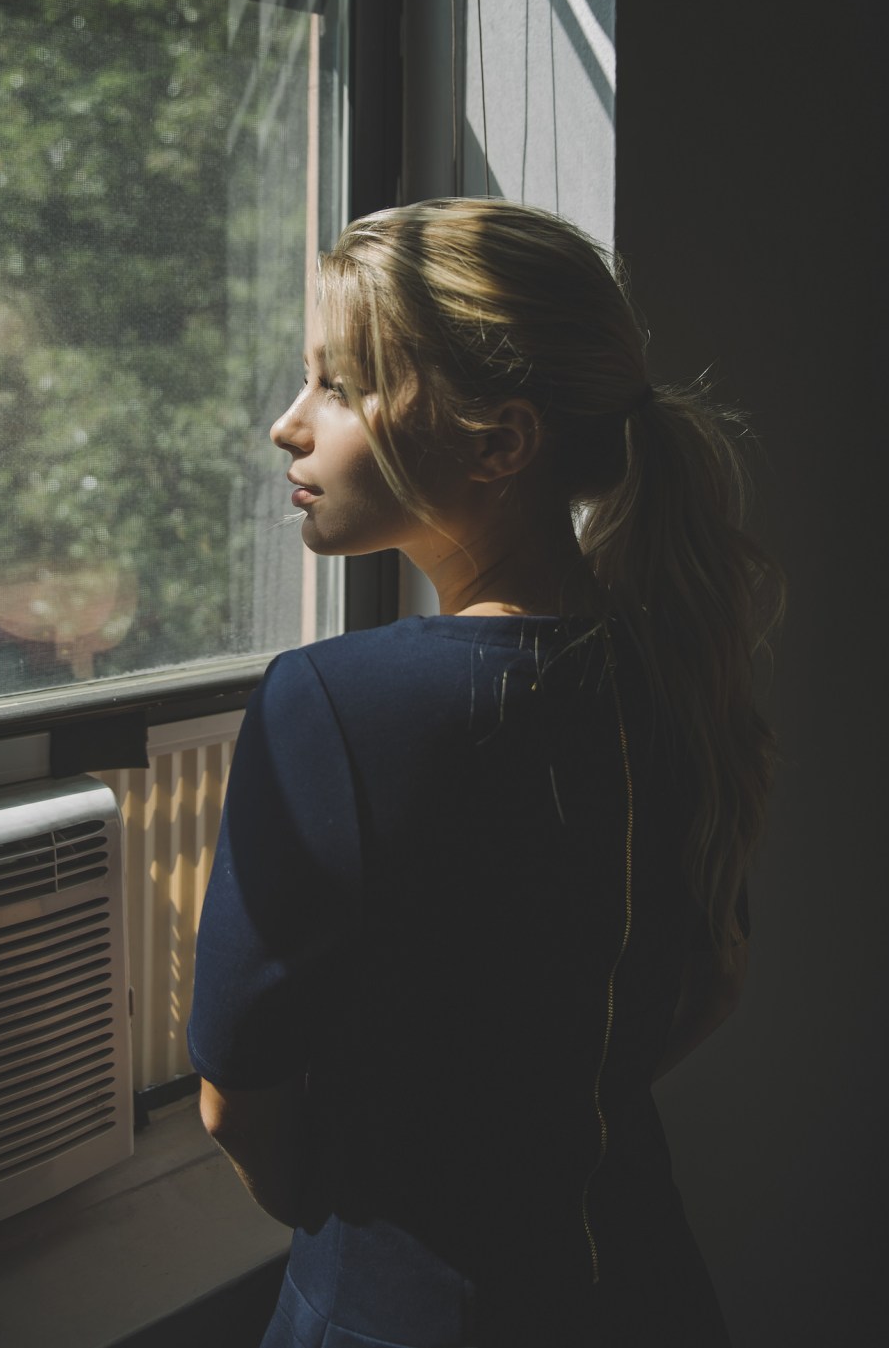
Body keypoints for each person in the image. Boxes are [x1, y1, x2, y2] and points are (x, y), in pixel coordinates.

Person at [187, 198, 782, 1347]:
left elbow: (235, 1102)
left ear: (500, 441)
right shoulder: (676, 668)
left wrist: (358, 1226)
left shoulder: (335, 705)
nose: (287, 425)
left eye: (341, 387)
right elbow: (709, 987)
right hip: (650, 1289)